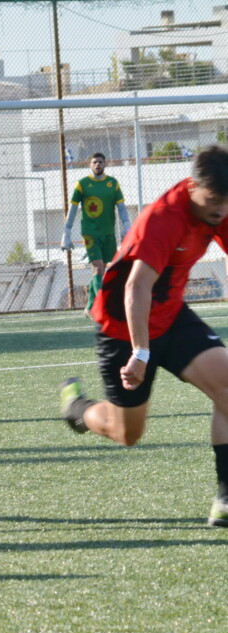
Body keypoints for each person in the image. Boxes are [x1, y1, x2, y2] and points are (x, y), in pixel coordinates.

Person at [60, 146, 228, 525]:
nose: (221, 210)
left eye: (227, 201)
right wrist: (140, 352)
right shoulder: (165, 217)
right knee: (127, 433)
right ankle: (78, 409)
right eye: (214, 200)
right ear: (194, 187)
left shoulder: (219, 207)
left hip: (172, 319)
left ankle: (225, 499)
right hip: (124, 328)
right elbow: (136, 288)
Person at [61, 152, 132, 309]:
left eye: (100, 162)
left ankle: (89, 307)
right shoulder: (82, 184)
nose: (97, 164)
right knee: (98, 267)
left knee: (100, 270)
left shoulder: (113, 183)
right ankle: (103, 307)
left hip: (108, 233)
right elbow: (73, 209)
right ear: (90, 165)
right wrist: (66, 233)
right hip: (90, 233)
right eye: (94, 162)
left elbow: (121, 208)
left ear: (105, 164)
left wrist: (128, 227)